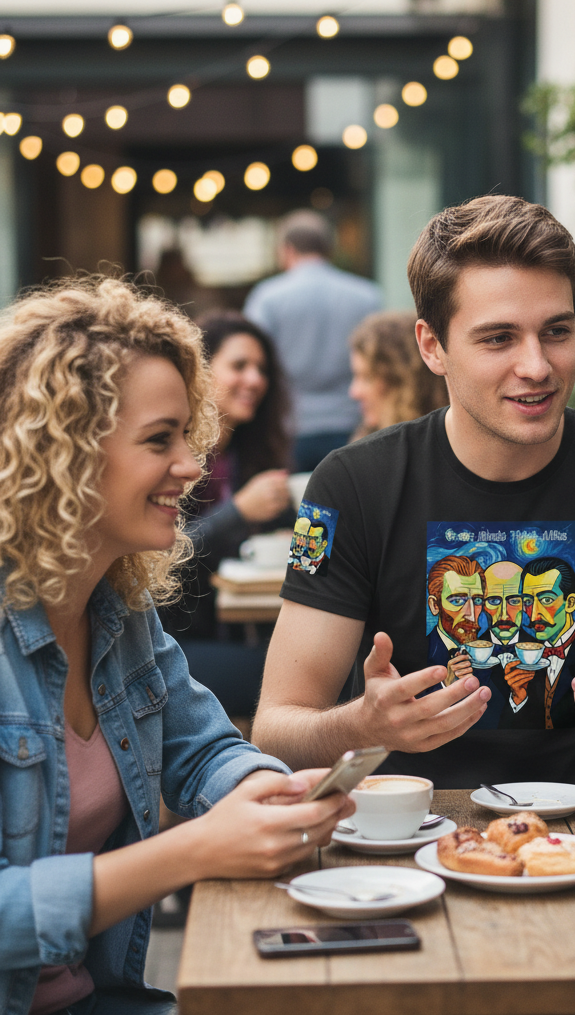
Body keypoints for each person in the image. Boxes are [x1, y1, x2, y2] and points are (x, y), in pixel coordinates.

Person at [252, 194, 575, 789]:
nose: (537, 365)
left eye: (556, 331)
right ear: (432, 346)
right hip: (411, 837)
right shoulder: (351, 485)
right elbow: (275, 729)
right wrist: (362, 725)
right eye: (498, 338)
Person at [0, 278, 352, 1015]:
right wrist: (191, 850)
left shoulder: (117, 609)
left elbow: (205, 747)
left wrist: (262, 789)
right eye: (160, 440)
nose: (192, 466)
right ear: (62, 454)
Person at [159, 311, 292, 719]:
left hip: (230, 626)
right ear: (202, 370)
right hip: (169, 638)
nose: (254, 380)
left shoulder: (247, 453)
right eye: (239, 366)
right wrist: (238, 513)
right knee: (291, 678)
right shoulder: (174, 455)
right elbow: (160, 559)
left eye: (261, 369)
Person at [244, 210, 382, 471]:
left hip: (290, 425)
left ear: (287, 250)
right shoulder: (367, 296)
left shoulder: (267, 297)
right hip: (352, 422)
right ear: (329, 249)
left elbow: (251, 356)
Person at [348, 310, 449, 441]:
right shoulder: (362, 449)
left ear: (406, 382)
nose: (354, 392)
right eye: (356, 377)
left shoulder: (445, 447)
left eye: (367, 378)